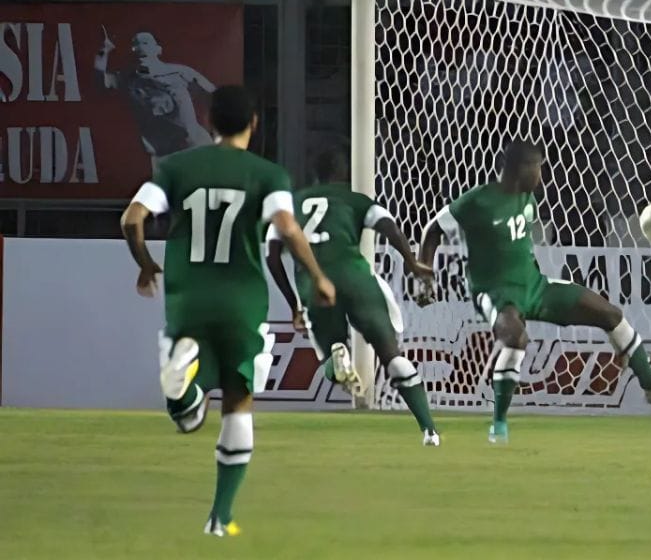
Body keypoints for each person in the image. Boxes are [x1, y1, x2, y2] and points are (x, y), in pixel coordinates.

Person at [120, 86, 336, 537]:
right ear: (255, 125)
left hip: (188, 296)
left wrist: (145, 265)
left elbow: (131, 218)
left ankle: (185, 388)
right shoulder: (269, 174)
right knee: (239, 400)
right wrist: (317, 276)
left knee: (186, 418)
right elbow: (287, 229)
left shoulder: (176, 167)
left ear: (210, 122)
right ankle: (220, 515)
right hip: (242, 298)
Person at [418, 139, 651, 444]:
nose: (541, 175)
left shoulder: (528, 199)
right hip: (495, 293)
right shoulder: (478, 201)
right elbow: (432, 230)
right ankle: (499, 425)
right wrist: (426, 277)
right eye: (538, 167)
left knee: (610, 313)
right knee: (515, 337)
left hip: (535, 287)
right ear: (519, 168)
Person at [265, 150, 441, 445]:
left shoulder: (290, 205)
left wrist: (294, 303)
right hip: (356, 278)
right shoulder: (355, 199)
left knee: (330, 364)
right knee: (392, 356)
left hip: (314, 284)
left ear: (314, 174)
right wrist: (411, 263)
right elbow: (389, 227)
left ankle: (338, 355)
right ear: (344, 172)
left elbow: (272, 256)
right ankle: (429, 430)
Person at [95, 30, 216, 167]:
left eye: (145, 43)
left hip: (198, 148)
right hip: (165, 159)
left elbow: (217, 96)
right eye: (136, 44)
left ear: (157, 49)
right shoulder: (127, 79)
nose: (140, 48)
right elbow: (101, 81)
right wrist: (103, 50)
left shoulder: (181, 72)